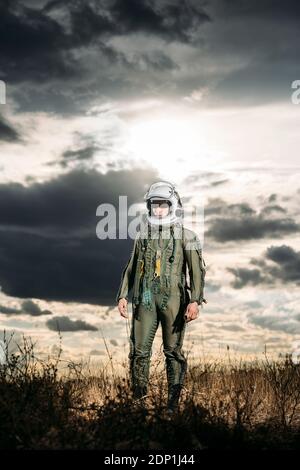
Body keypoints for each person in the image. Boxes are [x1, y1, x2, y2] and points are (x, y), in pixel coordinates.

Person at [116, 181, 207, 413]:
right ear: (149, 207)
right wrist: (123, 295)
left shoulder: (188, 237)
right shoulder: (142, 236)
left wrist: (195, 300)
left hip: (174, 299)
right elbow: (131, 266)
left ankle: (172, 406)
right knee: (138, 352)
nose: (158, 210)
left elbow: (197, 271)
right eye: (154, 205)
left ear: (172, 206)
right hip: (145, 298)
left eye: (163, 205)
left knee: (173, 352)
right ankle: (138, 404)